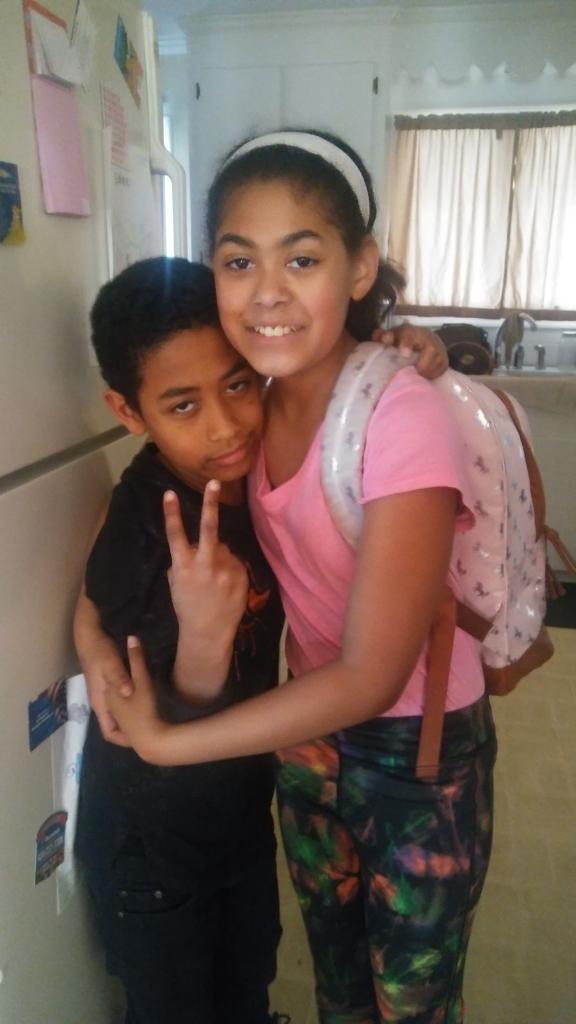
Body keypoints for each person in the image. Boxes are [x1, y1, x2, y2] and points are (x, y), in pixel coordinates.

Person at [103, 130, 497, 1024]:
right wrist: (94, 640)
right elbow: (128, 507)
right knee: (337, 981)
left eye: (303, 258)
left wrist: (168, 741)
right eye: (239, 261)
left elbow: (372, 676)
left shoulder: (401, 414)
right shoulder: (250, 400)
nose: (268, 292)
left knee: (411, 999)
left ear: (360, 268)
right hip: (309, 740)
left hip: (418, 750)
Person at [74, 257, 287, 1024]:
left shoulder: (244, 470)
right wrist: (203, 635)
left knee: (248, 983)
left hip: (236, 813)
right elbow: (151, 721)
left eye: (238, 384)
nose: (225, 425)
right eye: (184, 404)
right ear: (128, 412)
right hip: (152, 845)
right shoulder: (145, 539)